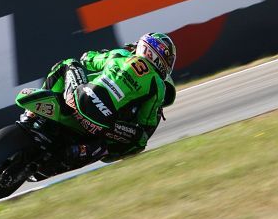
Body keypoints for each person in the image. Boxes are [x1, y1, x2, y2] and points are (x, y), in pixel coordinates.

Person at [36, 33, 177, 166]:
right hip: (103, 124)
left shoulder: (120, 55)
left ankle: (35, 108)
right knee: (141, 139)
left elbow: (87, 59)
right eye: (169, 60)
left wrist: (101, 54)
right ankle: (94, 150)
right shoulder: (158, 85)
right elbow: (146, 122)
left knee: (68, 63)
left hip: (79, 100)